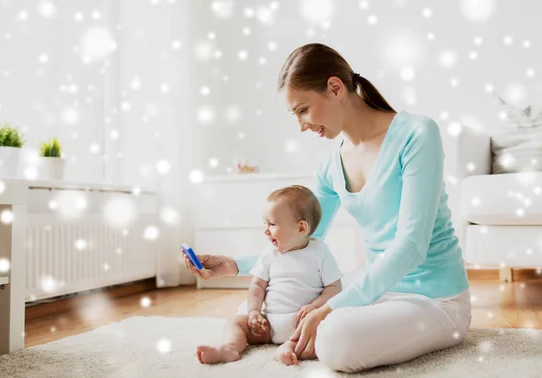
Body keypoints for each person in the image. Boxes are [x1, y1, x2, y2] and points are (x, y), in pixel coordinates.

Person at [185, 43, 472, 373]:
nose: (301, 125)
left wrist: (332, 307)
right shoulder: (331, 166)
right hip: (377, 290)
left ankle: (326, 333)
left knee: (335, 338)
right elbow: (300, 237)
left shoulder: (418, 134)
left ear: (335, 88)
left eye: (303, 109)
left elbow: (411, 246)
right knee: (263, 308)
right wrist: (233, 264)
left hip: (435, 301)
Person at [194, 185, 343, 366]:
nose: (265, 230)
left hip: (302, 323)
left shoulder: (320, 252)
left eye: (272, 224)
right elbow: (257, 286)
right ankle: (229, 347)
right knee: (236, 322)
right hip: (268, 325)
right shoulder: (270, 254)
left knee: (326, 332)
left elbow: (334, 288)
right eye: (265, 224)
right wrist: (254, 312)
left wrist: (315, 306)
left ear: (301, 228)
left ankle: (289, 348)